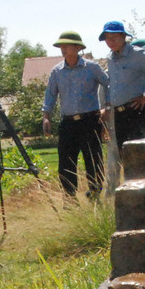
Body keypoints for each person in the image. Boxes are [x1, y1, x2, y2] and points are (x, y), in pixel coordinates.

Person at [42, 31, 110, 200]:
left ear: (78, 48)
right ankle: (69, 198)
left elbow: (109, 84)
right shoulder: (57, 71)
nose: (62, 49)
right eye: (60, 46)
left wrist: (107, 107)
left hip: (90, 121)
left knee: (93, 160)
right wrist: (46, 116)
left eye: (66, 46)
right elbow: (50, 95)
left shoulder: (92, 68)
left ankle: (95, 194)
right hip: (68, 123)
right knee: (65, 162)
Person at [98, 21, 145, 148]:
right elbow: (111, 85)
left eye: (114, 38)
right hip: (119, 113)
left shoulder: (137, 54)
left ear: (123, 37)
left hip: (135, 110)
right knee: (124, 152)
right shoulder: (111, 58)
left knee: (140, 153)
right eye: (107, 38)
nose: (110, 42)